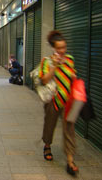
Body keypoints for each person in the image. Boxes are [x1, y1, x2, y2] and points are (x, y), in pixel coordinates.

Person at [39, 30, 78, 176]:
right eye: (59, 48)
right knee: (50, 125)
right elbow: (44, 80)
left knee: (69, 130)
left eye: (64, 47)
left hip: (69, 101)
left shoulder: (70, 59)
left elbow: (72, 76)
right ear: (53, 48)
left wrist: (74, 76)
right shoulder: (47, 61)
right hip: (53, 100)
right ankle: (47, 145)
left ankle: (70, 160)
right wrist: (54, 66)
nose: (62, 50)